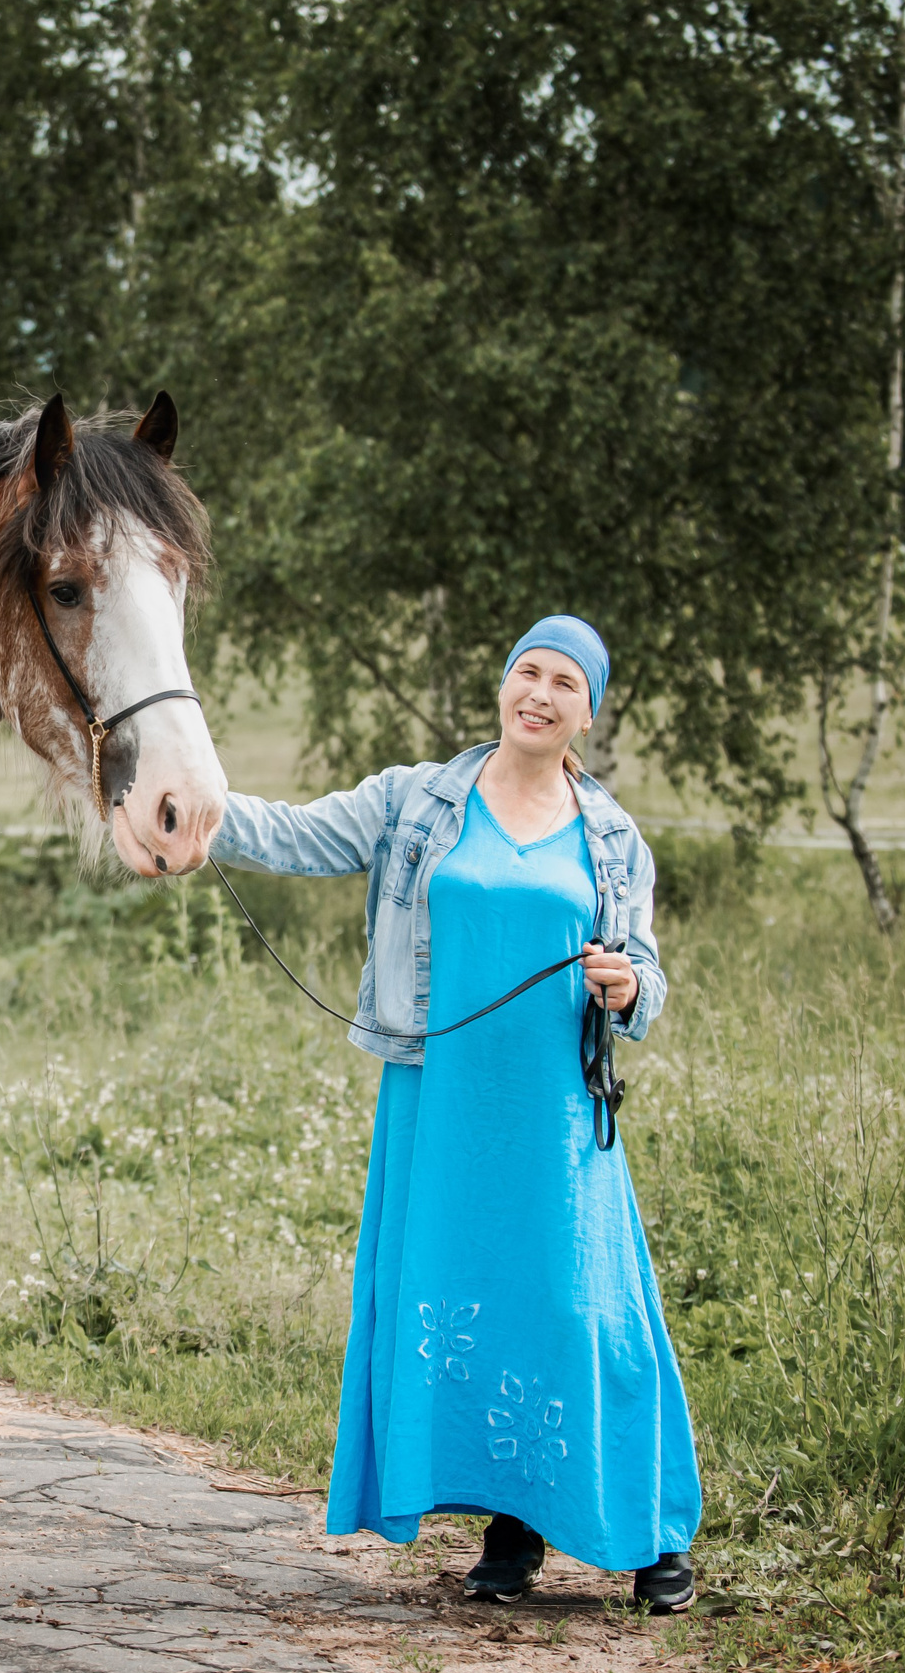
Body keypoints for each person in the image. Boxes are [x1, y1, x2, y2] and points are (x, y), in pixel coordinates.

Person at [209, 615, 699, 1611]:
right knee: (468, 1302)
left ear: (587, 714)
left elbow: (645, 969)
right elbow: (298, 833)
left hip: (556, 1117)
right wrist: (194, 809)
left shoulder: (609, 837)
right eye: (529, 668)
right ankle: (509, 1535)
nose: (541, 691)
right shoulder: (414, 800)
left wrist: (624, 985)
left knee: (583, 1309)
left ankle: (652, 1531)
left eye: (566, 681)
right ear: (503, 684)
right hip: (439, 1103)